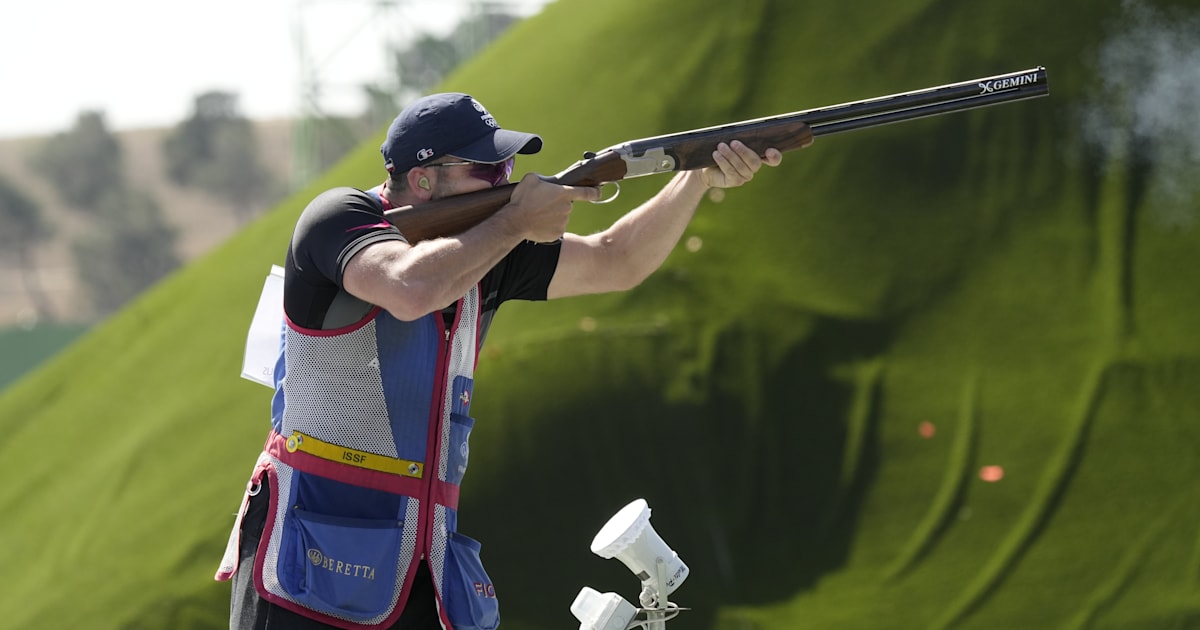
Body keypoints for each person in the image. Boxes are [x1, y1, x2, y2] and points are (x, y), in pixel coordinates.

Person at [215, 92, 784, 630]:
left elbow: (619, 259)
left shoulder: (487, 250)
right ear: (421, 180)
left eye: (507, 165)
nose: (507, 180)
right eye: (487, 170)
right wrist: (513, 223)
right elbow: (411, 288)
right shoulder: (338, 216)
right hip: (307, 555)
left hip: (420, 565)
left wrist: (694, 175)